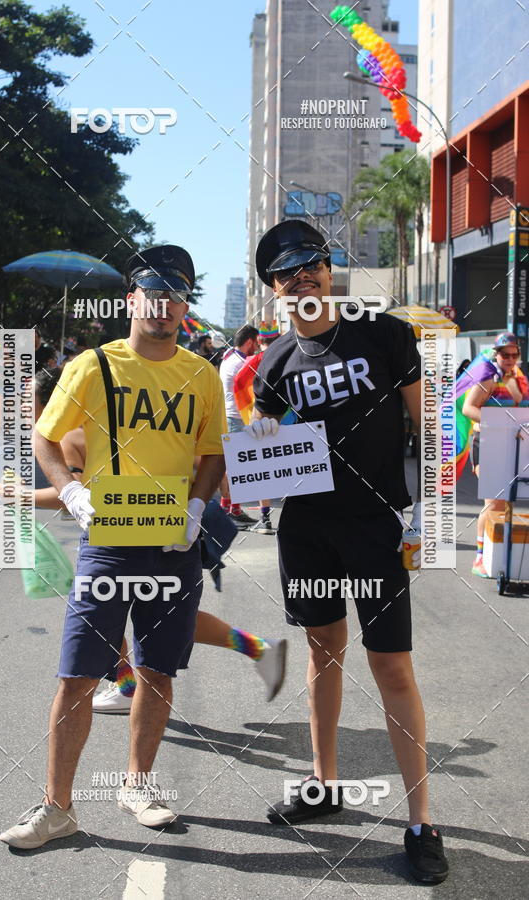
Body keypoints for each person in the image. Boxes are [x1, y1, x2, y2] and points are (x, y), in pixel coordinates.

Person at [0, 244, 227, 848]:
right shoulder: (92, 366)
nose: (162, 305)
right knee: (77, 676)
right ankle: (57, 808)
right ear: (133, 300)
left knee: (156, 671)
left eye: (175, 295)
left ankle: (137, 784)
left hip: (174, 550)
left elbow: (212, 453)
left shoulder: (202, 375)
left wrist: (199, 507)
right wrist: (71, 494)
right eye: (152, 293)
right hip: (108, 547)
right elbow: (46, 439)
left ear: (185, 308)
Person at [250, 221, 448, 885]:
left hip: (375, 528)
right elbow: (268, 453)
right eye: (286, 273)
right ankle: (324, 784)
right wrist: (250, 478)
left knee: (391, 664)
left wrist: (428, 510)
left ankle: (422, 822)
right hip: (306, 531)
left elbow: (427, 425)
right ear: (275, 291)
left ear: (329, 270)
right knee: (320, 651)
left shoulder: (385, 334)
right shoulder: (273, 365)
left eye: (310, 263)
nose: (300, 277)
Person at [18, 366, 287, 714]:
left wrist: (23, 496)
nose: (26, 412)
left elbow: (78, 501)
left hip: (155, 531)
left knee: (107, 615)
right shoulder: (113, 419)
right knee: (167, 614)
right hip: (179, 527)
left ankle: (129, 687)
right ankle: (258, 649)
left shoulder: (72, 435)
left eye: (29, 404)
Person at [462, 333, 529, 577]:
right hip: (487, 444)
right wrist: (494, 421)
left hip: (512, 445)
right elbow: (469, 407)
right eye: (505, 354)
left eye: (515, 354)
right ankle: (479, 558)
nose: (510, 359)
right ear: (496, 354)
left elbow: (522, 407)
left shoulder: (518, 379)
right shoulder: (488, 377)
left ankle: (499, 554)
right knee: (493, 502)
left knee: (507, 500)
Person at [232, 320, 281, 534]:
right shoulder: (288, 354)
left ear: (259, 340)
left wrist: (250, 416)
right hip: (287, 421)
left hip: (260, 422)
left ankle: (266, 518)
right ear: (277, 338)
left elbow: (239, 385)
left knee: (264, 471)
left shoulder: (251, 362)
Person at [218, 324, 260, 529]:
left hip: (229, 416)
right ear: (250, 341)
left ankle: (231, 508)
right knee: (237, 466)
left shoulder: (228, 356)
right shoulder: (241, 362)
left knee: (234, 466)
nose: (257, 346)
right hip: (237, 418)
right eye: (257, 342)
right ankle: (229, 510)